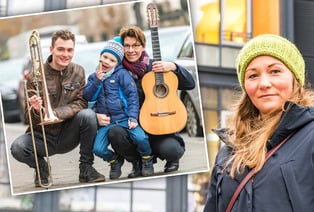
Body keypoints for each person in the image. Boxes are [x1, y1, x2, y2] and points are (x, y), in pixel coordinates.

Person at [196, 34, 314, 212]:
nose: (264, 83)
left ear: (295, 78)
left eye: (275, 71)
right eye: (253, 75)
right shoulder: (230, 149)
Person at [11, 30, 105, 187]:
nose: (65, 54)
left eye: (69, 50)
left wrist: (56, 113)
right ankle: (42, 168)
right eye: (61, 49)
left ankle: (86, 168)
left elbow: (81, 103)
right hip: (43, 137)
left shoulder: (78, 71)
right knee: (17, 148)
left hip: (68, 133)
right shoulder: (35, 76)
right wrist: (35, 109)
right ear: (51, 49)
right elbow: (27, 118)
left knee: (88, 115)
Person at [102, 26, 195, 178]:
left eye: (135, 45)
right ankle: (139, 162)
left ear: (143, 46)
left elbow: (190, 84)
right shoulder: (117, 71)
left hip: (160, 127)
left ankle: (172, 159)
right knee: (115, 133)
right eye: (127, 46)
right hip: (133, 128)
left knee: (173, 150)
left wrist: (174, 67)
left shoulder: (156, 67)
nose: (131, 50)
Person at [84, 38, 154, 178]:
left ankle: (147, 159)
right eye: (104, 57)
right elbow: (88, 96)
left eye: (111, 60)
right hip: (107, 122)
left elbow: (132, 97)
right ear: (100, 56)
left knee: (141, 138)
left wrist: (133, 117)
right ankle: (114, 160)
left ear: (117, 63)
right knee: (97, 149)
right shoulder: (93, 77)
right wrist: (97, 81)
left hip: (125, 118)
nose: (106, 62)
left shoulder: (122, 75)